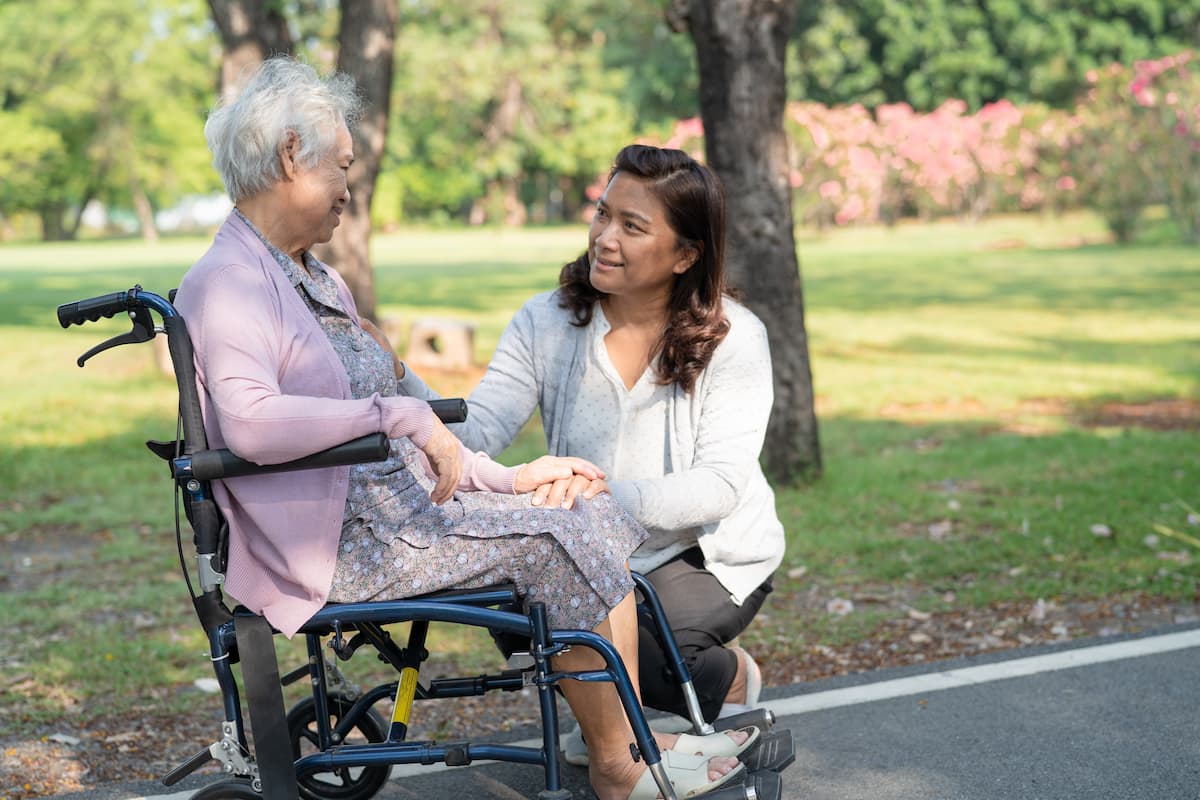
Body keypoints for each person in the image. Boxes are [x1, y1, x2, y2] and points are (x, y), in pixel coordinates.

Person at [174, 57, 755, 800]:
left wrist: (513, 477)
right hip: (341, 547)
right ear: (292, 158)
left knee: (583, 508)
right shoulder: (228, 282)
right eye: (343, 167)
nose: (349, 189)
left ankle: (623, 733)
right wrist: (397, 411)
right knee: (555, 539)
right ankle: (619, 764)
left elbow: (417, 433)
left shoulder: (311, 275)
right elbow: (254, 426)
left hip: (393, 517)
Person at [397, 145, 785, 743]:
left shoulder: (736, 339)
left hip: (701, 550)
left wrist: (600, 499)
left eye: (633, 226)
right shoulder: (546, 321)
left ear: (686, 254)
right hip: (584, 540)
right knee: (529, 614)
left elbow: (720, 485)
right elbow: (475, 431)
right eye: (604, 214)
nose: (605, 237)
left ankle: (728, 679)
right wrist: (398, 378)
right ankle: (610, 721)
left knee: (656, 656)